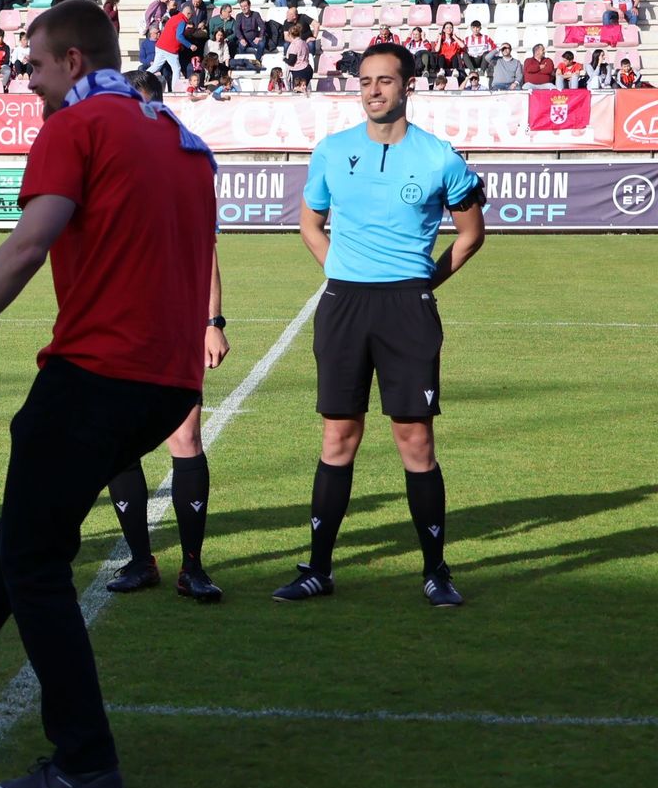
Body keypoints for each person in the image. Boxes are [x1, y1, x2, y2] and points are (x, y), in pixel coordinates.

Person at [0, 0, 217, 788]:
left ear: (73, 61)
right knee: (29, 526)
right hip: (164, 381)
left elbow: (30, 243)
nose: (26, 80)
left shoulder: (76, 127)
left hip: (94, 373)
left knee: (34, 558)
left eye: (33, 65)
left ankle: (85, 759)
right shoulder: (181, 137)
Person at [273, 42, 485, 608]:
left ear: (407, 86)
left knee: (414, 439)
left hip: (406, 309)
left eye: (385, 81)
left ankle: (435, 570)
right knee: (337, 436)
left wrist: (420, 285)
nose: (372, 90)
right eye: (365, 80)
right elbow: (310, 225)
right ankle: (318, 568)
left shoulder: (440, 157)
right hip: (344, 305)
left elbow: (470, 234)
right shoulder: (331, 151)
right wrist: (344, 272)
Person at [103, 68, 229, 602]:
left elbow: (207, 252)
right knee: (118, 444)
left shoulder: (187, 163)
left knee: (185, 439)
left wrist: (212, 322)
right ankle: (139, 559)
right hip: (116, 327)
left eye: (148, 107)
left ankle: (193, 567)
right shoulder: (108, 165)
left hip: (176, 325)